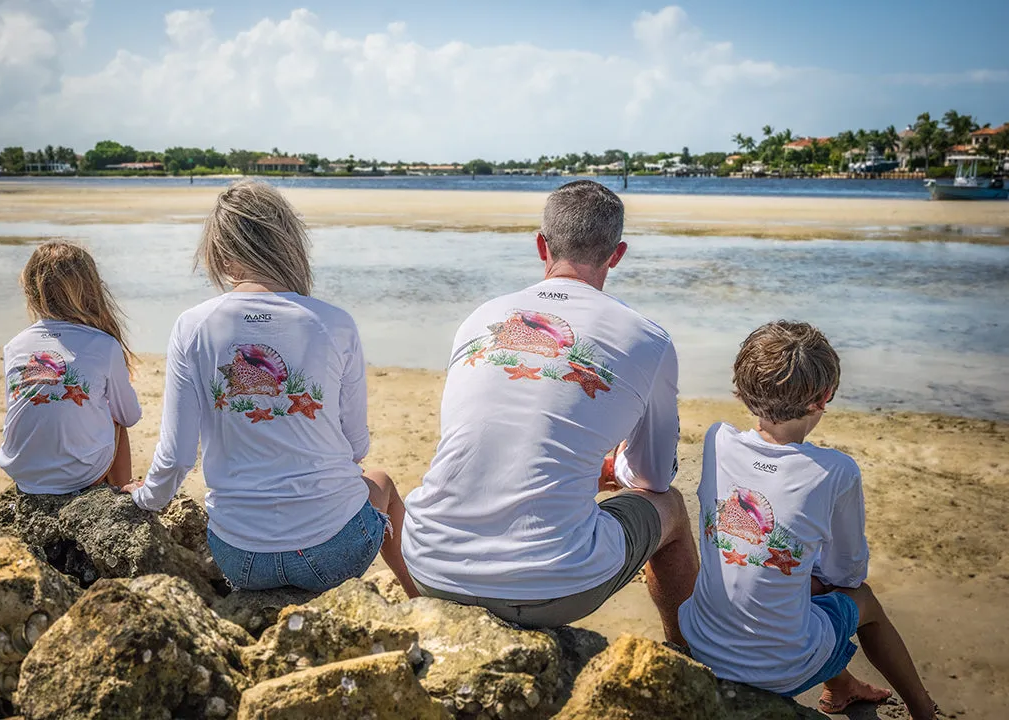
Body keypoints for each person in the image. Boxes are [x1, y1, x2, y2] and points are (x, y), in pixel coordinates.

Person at [400, 180, 698, 636]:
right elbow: (652, 478)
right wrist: (613, 466)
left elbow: (490, 429)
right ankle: (685, 652)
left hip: (430, 566)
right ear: (616, 255)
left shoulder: (481, 316)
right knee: (670, 506)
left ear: (541, 244)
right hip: (552, 587)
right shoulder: (648, 339)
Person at [122, 179, 417, 596]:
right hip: (332, 554)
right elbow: (355, 446)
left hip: (241, 558)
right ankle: (418, 598)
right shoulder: (333, 323)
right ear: (287, 243)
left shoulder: (193, 326)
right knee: (381, 479)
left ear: (223, 256)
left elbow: (176, 456)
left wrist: (144, 500)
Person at [678, 321, 936, 719]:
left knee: (787, 576)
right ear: (824, 398)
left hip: (702, 641)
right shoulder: (834, 471)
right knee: (861, 600)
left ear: (742, 391)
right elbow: (848, 574)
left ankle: (842, 687)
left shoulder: (717, 439)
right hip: (780, 670)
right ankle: (921, 708)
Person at [0, 242, 141, 493]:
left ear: (31, 291)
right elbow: (129, 415)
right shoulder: (104, 345)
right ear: (91, 289)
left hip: (22, 472)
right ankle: (122, 490)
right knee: (114, 416)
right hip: (79, 476)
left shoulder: (14, 346)